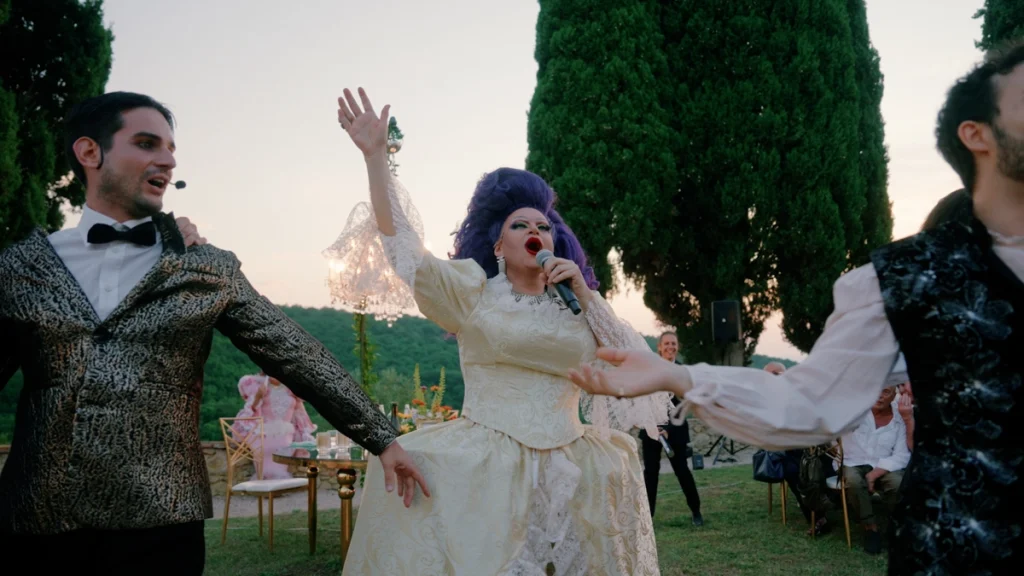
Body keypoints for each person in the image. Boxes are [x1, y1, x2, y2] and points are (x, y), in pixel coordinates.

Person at [569, 41, 1024, 573]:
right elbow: (809, 403)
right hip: (966, 552)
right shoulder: (900, 280)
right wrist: (679, 375)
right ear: (977, 133)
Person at [0, 91, 427, 575]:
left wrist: (382, 438)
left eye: (171, 149)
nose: (167, 160)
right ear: (89, 152)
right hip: (36, 522)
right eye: (146, 143)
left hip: (161, 524)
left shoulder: (207, 267)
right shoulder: (19, 267)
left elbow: (297, 355)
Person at [330, 87, 671, 575]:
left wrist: (587, 294)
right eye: (519, 225)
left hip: (574, 466)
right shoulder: (473, 291)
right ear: (497, 246)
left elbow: (638, 368)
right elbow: (403, 246)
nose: (535, 231)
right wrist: (376, 159)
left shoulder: (578, 306)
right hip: (488, 465)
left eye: (544, 226)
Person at [639, 331, 703, 526]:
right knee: (650, 474)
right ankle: (647, 518)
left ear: (677, 347)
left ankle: (696, 512)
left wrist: (668, 429)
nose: (670, 347)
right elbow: (643, 399)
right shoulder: (649, 370)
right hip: (651, 430)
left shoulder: (683, 373)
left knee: (682, 472)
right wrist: (653, 427)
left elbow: (685, 405)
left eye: (673, 343)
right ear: (659, 347)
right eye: (666, 343)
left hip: (676, 430)